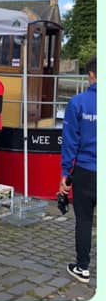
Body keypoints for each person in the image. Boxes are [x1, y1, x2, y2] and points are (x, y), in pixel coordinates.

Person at [61, 56, 96, 284]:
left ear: (90, 75)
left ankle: (83, 267)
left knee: (83, 219)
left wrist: (65, 174)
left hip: (85, 170)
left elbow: (70, 141)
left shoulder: (77, 102)